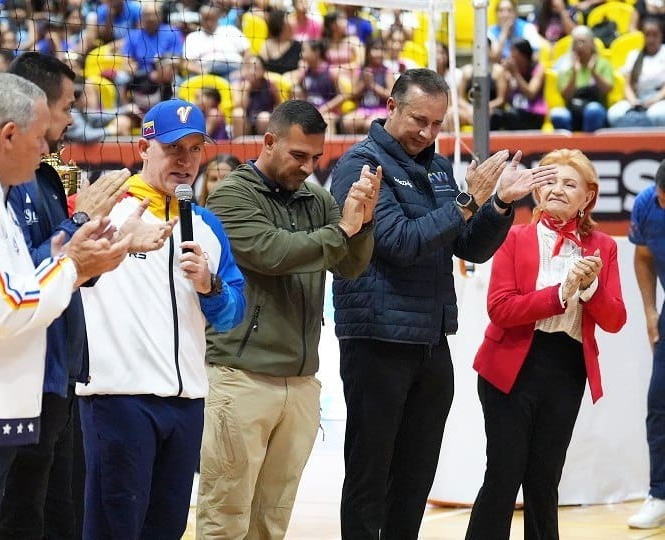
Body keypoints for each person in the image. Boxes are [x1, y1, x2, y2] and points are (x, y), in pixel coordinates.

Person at [0, 72, 171, 539]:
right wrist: (74, 266)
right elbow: (8, 307)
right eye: (40, 136)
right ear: (9, 135)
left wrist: (88, 255)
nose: (47, 149)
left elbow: (23, 281)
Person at [329, 68, 558, 540]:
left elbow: (469, 246)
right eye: (419, 120)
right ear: (390, 107)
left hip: (431, 340)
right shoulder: (360, 164)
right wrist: (467, 201)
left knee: (415, 475)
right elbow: (399, 242)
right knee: (371, 473)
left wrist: (498, 204)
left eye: (437, 123)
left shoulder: (435, 166)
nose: (428, 132)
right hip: (377, 339)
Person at [196, 99, 380, 539]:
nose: (308, 167)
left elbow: (350, 266)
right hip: (241, 375)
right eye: (298, 155)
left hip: (300, 381)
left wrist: (364, 223)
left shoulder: (316, 198)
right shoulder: (230, 196)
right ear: (269, 142)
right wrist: (343, 230)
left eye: (315, 157)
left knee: (272, 520)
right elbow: (272, 253)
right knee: (225, 516)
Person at [76, 98, 246, 540]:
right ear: (143, 148)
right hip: (118, 400)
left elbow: (234, 313)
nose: (185, 161)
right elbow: (60, 273)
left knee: (167, 530)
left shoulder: (207, 226)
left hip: (186, 404)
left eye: (194, 149)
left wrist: (210, 285)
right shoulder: (106, 211)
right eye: (173, 148)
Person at [0, 51, 141, 540]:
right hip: (23, 378)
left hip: (61, 374)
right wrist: (80, 220)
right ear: (35, 107)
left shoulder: (45, 176)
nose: (71, 119)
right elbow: (21, 274)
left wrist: (112, 244)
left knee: (62, 519)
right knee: (20, 518)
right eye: (66, 107)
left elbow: (68, 265)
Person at [465, 148, 627, 539]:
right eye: (550, 181)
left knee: (544, 479)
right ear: (537, 190)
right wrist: (559, 293)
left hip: (566, 369)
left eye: (569, 184)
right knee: (504, 474)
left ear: (588, 196)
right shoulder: (513, 237)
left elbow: (615, 320)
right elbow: (500, 309)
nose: (557, 190)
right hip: (509, 367)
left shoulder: (603, 246)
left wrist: (590, 289)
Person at [627, 158, 665, 529]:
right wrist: (651, 312)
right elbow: (643, 256)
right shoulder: (646, 203)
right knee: (659, 407)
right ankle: (660, 495)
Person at [550, 25, 614, 132]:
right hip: (573, 109)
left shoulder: (603, 64)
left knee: (593, 110)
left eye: (583, 42)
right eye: (576, 43)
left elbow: (607, 90)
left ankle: (590, 143)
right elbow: (566, 96)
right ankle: (568, 143)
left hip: (595, 109)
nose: (579, 46)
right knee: (557, 114)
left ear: (592, 44)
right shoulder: (566, 66)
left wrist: (593, 72)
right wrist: (575, 73)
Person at [607, 17, 665, 128]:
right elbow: (627, 85)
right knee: (614, 114)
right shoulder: (634, 55)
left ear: (661, 35)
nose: (651, 39)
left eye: (655, 35)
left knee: (657, 115)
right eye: (647, 35)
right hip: (638, 100)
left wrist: (654, 100)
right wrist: (633, 101)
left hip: (659, 99)